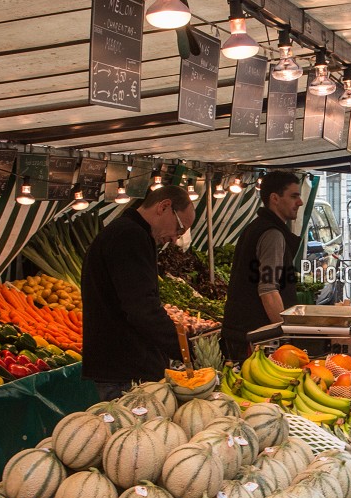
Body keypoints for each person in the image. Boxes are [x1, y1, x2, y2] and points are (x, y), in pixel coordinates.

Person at [82, 185, 194, 402]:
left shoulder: (129, 232)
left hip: (122, 366)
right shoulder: (129, 236)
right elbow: (142, 307)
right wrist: (184, 350)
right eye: (179, 229)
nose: (175, 238)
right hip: (125, 371)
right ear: (164, 207)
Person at [221, 171, 305, 361]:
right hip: (255, 338)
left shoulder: (256, 227)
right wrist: (285, 338)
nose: (299, 202)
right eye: (294, 196)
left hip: (240, 331)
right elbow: (268, 290)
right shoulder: (272, 234)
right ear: (274, 198)